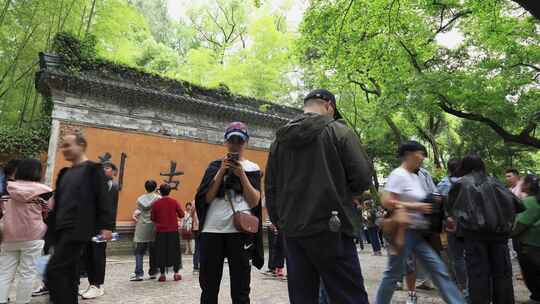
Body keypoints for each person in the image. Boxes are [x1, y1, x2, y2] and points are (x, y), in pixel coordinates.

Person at [266, 89, 371, 304]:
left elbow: (270, 186)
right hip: (332, 227)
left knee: (302, 296)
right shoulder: (338, 131)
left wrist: (281, 222)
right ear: (329, 106)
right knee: (348, 295)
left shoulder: (280, 140)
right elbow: (361, 177)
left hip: (293, 231)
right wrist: (349, 194)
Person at [375, 141, 463, 304]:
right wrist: (415, 206)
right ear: (409, 154)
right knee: (393, 274)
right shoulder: (398, 174)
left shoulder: (417, 175)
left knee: (438, 270)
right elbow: (386, 201)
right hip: (403, 231)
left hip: (419, 233)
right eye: (420, 153)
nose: (422, 157)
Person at [195, 122, 264, 304]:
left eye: (239, 141)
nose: (235, 145)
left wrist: (241, 175)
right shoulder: (214, 166)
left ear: (246, 142)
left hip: (240, 232)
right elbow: (206, 198)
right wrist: (221, 172)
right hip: (213, 230)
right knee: (209, 286)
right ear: (226, 142)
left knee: (241, 288)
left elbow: (255, 201)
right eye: (231, 140)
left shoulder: (252, 168)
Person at [46, 131, 114, 304]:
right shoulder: (64, 174)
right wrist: (50, 237)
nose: (65, 149)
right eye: (63, 146)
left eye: (68, 145)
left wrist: (107, 226)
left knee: (54, 271)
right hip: (61, 230)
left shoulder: (93, 170)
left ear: (81, 145)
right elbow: (58, 206)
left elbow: (103, 199)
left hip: (78, 228)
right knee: (69, 274)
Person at [448, 154, 521, 304]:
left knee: (478, 275)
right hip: (499, 236)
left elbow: (451, 209)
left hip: (474, 236)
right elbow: (517, 204)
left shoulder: (461, 183)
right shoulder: (496, 182)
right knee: (502, 275)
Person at [0, 159, 52, 304]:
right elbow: (46, 213)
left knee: (4, 272)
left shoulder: (7, 189)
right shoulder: (45, 192)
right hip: (33, 236)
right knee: (27, 273)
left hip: (8, 235)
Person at [79, 160, 119, 299]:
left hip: (102, 228)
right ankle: (92, 284)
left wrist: (109, 227)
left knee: (98, 255)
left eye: (108, 168)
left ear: (114, 172)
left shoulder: (114, 187)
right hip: (89, 226)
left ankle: (98, 285)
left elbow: (112, 209)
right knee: (88, 254)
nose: (104, 170)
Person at [437, 159, 467, 295]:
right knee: (471, 254)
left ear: (448, 169)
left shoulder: (443, 184)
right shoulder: (469, 182)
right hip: (470, 223)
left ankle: (462, 286)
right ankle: (473, 284)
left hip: (451, 223)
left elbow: (439, 205)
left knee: (457, 257)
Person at [512, 174, 540, 304]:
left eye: (522, 182)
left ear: (528, 185)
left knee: (532, 274)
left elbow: (519, 226)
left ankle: (536, 297)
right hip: (535, 243)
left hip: (529, 245)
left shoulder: (529, 202)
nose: (520, 184)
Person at [151, 183, 184, 282]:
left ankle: (162, 274)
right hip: (173, 231)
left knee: (161, 252)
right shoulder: (174, 202)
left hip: (161, 232)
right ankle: (176, 273)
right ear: (170, 191)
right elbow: (182, 214)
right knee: (175, 251)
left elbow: (152, 218)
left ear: (160, 191)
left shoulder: (156, 204)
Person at [130, 180, 160, 282]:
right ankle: (153, 272)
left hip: (142, 226)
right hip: (153, 226)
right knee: (153, 251)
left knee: (139, 251)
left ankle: (139, 274)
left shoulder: (140, 199)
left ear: (145, 187)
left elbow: (139, 210)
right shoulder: (158, 198)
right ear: (155, 187)